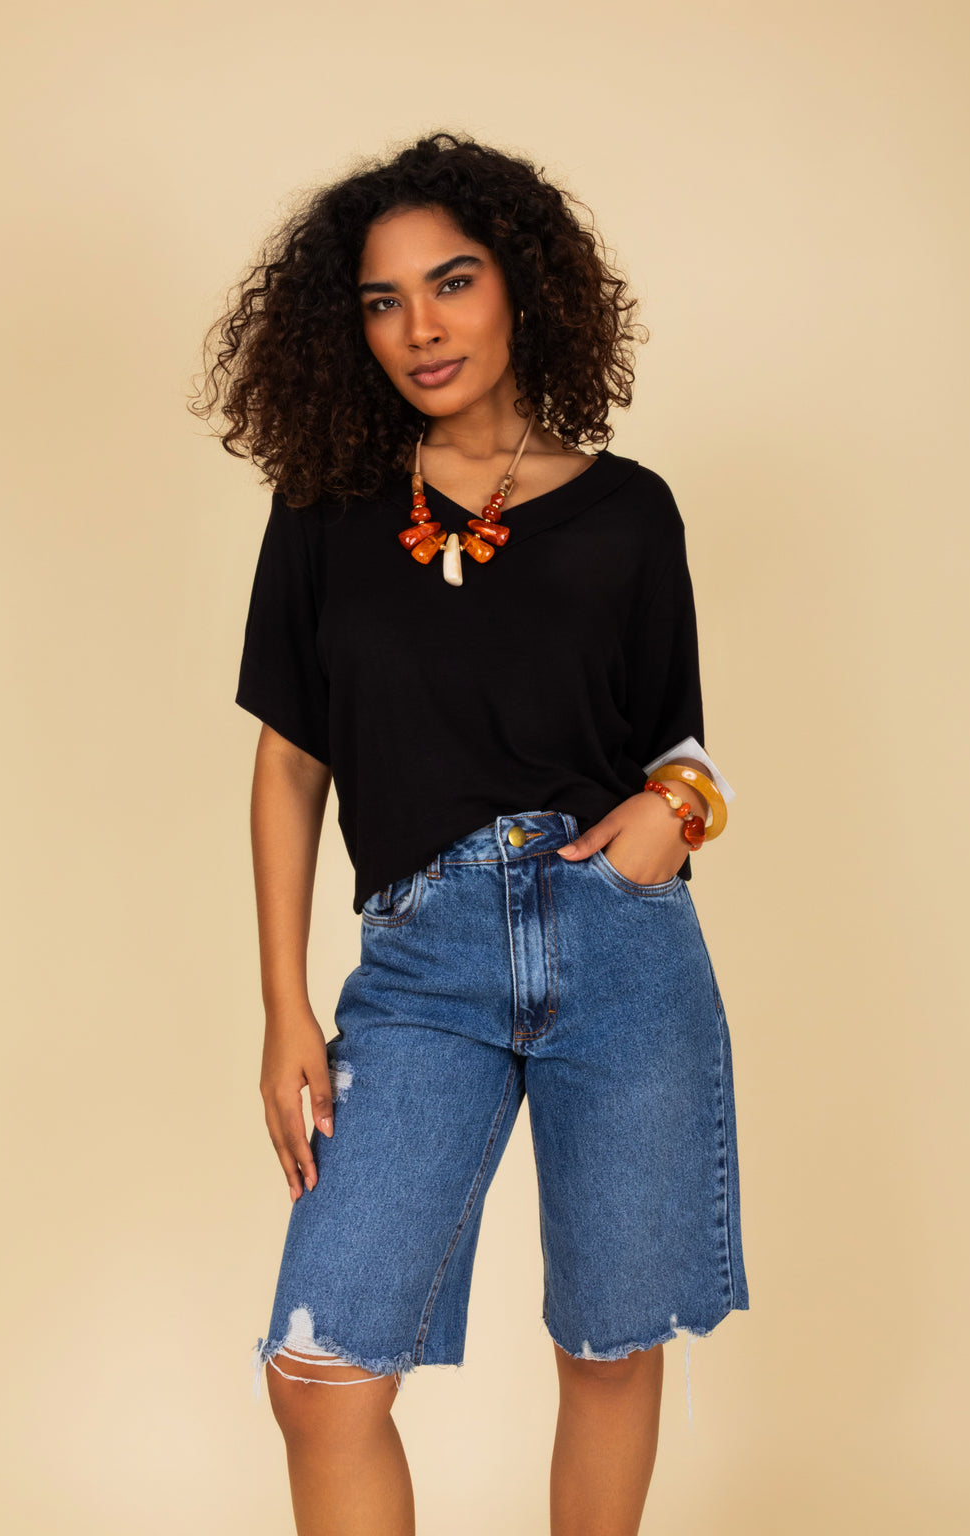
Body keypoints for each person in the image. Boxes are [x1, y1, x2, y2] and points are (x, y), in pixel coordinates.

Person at [192, 130, 749, 1536]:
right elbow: (290, 763)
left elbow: (680, 754)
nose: (421, 328)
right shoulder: (326, 515)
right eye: (384, 301)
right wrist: (282, 1005)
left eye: (452, 282)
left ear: (522, 288)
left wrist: (669, 819)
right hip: (420, 968)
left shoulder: (630, 513)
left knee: (610, 1348)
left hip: (621, 953)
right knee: (322, 1375)